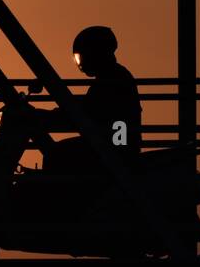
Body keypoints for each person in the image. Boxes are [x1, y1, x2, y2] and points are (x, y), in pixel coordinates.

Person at [24, 25, 141, 176]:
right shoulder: (112, 77)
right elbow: (87, 109)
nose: (81, 62)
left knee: (56, 155)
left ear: (94, 53)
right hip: (114, 143)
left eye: (82, 56)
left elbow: (86, 112)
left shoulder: (113, 79)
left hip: (115, 147)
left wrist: (46, 116)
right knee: (57, 154)